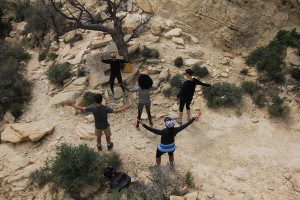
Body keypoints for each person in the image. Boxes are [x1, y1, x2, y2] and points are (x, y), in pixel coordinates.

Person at [65, 94, 131, 151]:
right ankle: (108, 145)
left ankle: (99, 146)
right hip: (105, 125)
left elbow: (82, 108)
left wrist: (72, 105)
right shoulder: (105, 108)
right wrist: (125, 107)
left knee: (98, 137)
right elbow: (116, 111)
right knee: (108, 136)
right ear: (102, 100)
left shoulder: (93, 108)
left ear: (95, 100)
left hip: (97, 126)